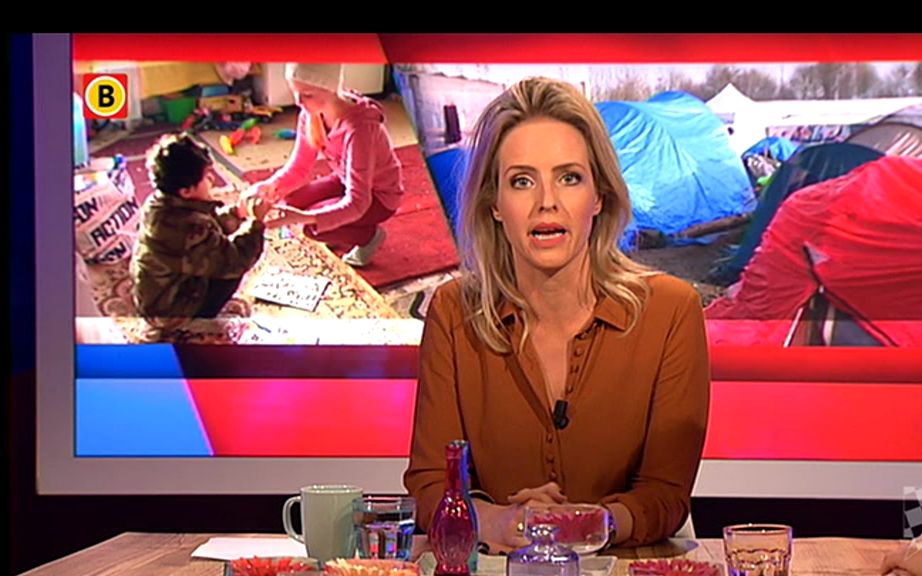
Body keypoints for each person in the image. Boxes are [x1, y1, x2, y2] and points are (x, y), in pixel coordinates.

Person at [403, 77, 710, 552]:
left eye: (569, 178)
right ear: (494, 204)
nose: (547, 201)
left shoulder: (671, 310)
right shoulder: (453, 312)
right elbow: (429, 486)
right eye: (522, 181)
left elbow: (666, 496)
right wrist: (498, 522)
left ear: (599, 195)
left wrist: (587, 523)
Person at [246, 63, 404, 267]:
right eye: (295, 92)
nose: (298, 102)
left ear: (331, 89)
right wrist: (268, 186)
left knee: (312, 227)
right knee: (290, 202)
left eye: (307, 95)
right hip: (345, 179)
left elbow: (358, 202)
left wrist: (310, 217)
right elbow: (298, 167)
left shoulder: (360, 129)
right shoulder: (311, 114)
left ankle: (369, 236)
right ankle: (340, 228)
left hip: (379, 196)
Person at [131, 133, 269, 325]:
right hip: (168, 311)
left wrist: (237, 213)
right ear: (186, 191)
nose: (211, 179)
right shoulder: (187, 227)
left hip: (154, 295)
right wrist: (256, 223)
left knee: (215, 250)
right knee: (231, 269)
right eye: (205, 177)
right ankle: (196, 319)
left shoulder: (159, 202)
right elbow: (236, 261)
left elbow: (208, 224)